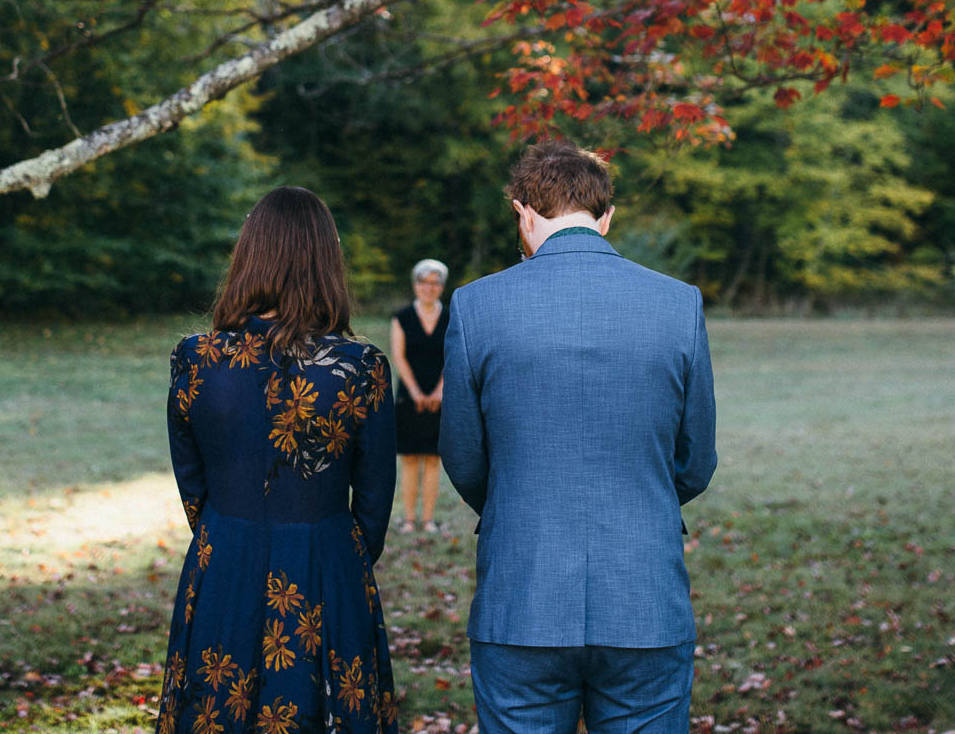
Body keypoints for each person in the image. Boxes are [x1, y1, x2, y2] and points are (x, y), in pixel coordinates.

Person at [439, 141, 718, 734]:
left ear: (523, 213)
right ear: (606, 217)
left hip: (522, 594)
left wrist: (519, 500)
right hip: (643, 595)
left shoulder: (474, 306)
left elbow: (464, 458)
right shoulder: (678, 304)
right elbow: (695, 462)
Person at [158, 186, 401, 734]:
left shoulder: (197, 359)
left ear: (248, 256)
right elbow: (375, 500)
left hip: (223, 560)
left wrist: (232, 533)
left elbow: (191, 482)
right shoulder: (361, 367)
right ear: (326, 262)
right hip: (327, 563)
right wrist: (332, 548)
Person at [389, 258, 452, 534]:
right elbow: (399, 357)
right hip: (408, 395)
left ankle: (428, 520)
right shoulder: (402, 317)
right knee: (411, 458)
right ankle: (409, 519)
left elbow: (453, 357)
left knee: (433, 458)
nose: (429, 287)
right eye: (424, 282)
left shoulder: (451, 317)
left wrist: (439, 391)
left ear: (441, 286)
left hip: (441, 393)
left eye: (435, 282)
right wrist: (415, 392)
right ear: (416, 284)